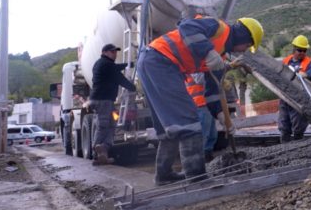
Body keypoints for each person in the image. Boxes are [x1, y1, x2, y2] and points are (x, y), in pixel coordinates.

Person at [138, 16, 263, 184]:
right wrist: (208, 51)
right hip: (160, 60)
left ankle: (163, 175)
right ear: (244, 36)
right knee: (188, 123)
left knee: (170, 128)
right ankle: (197, 178)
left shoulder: (220, 57)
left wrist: (221, 116)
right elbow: (186, 26)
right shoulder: (217, 27)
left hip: (154, 64)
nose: (243, 51)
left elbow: (212, 91)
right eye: (247, 45)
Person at [88, 43, 136, 165]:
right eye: (113, 52)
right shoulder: (103, 64)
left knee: (111, 125)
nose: (115, 54)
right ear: (105, 52)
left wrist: (131, 84)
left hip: (105, 100)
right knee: (103, 125)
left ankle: (103, 151)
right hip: (102, 100)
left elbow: (117, 74)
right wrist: (129, 67)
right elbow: (119, 77)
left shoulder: (107, 66)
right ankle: (96, 150)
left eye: (116, 52)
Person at [277, 35, 311, 143]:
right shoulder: (285, 61)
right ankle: (284, 146)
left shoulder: (309, 63)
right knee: (284, 125)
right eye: (300, 50)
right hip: (285, 97)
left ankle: (298, 146)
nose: (302, 53)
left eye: (304, 50)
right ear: (294, 48)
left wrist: (306, 75)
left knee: (298, 126)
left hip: (300, 98)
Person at [185, 73, 218, 163]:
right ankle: (200, 159)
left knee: (212, 134)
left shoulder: (199, 64)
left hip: (207, 103)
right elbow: (200, 79)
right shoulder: (194, 67)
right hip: (200, 103)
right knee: (204, 133)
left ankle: (208, 155)